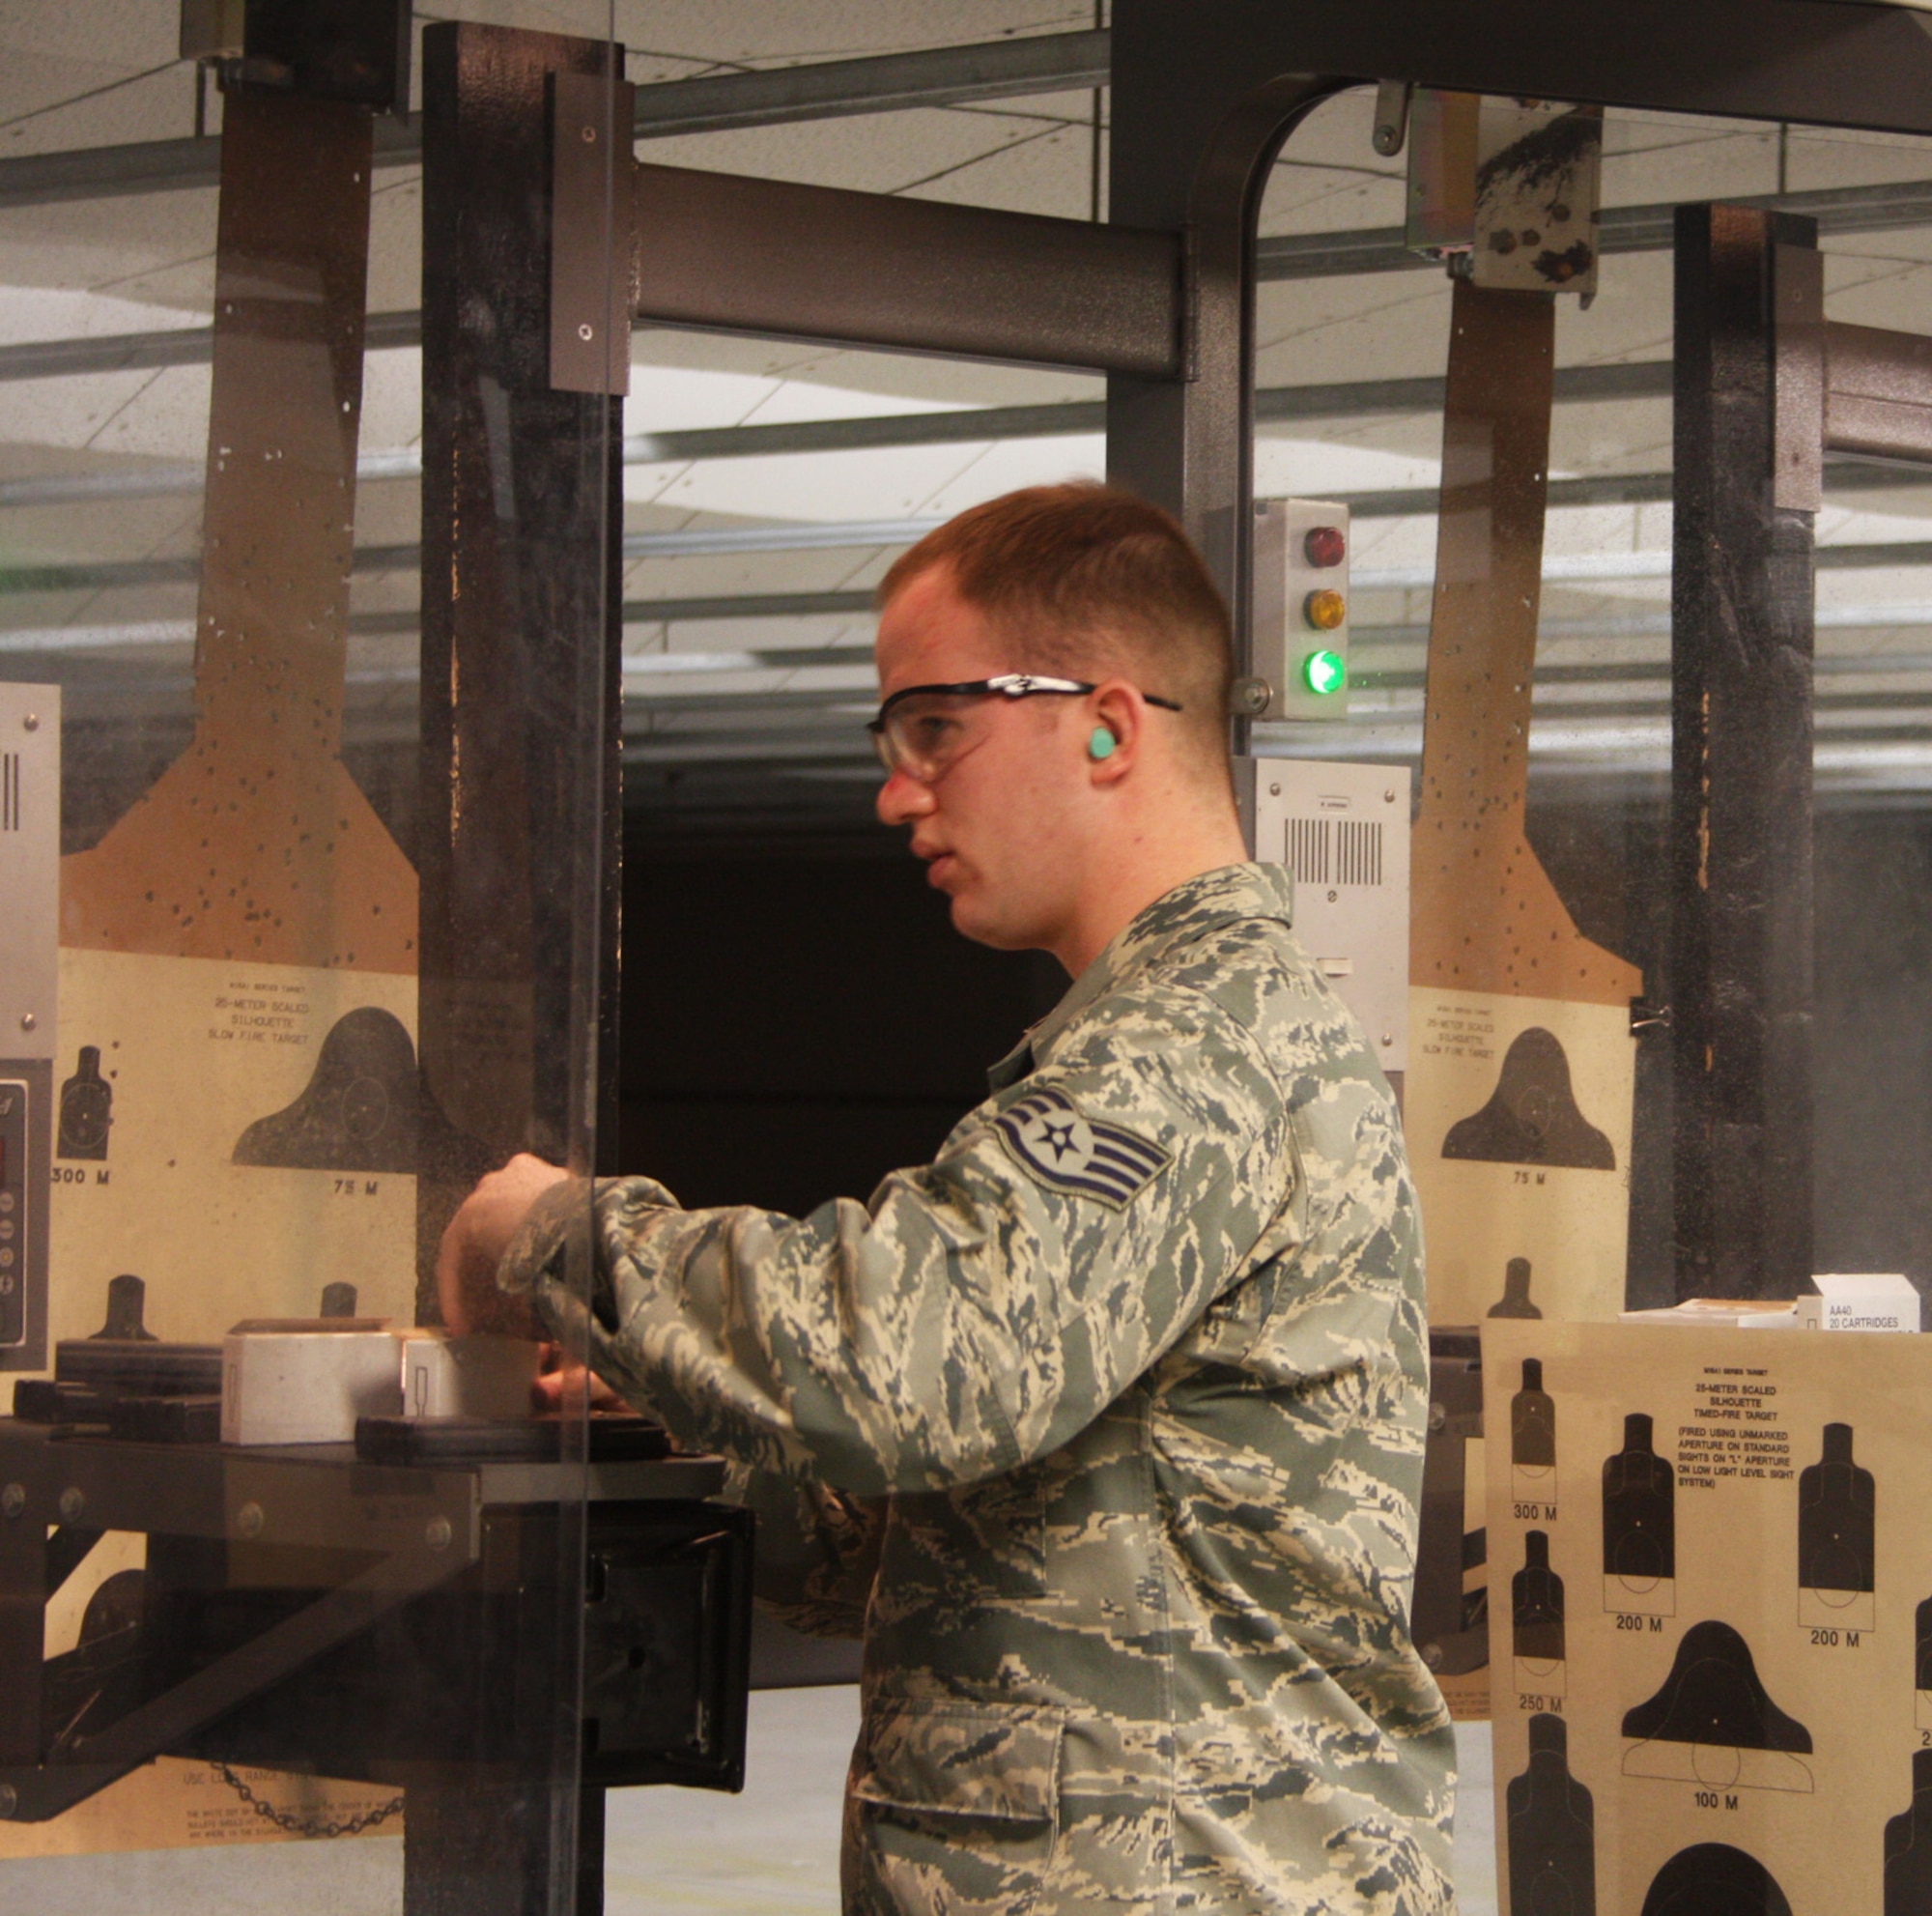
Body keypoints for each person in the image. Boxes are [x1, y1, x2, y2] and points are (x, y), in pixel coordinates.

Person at [440, 482, 1455, 1913]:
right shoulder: (1179, 1039)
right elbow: (965, 1515)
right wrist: (690, 1409)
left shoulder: (1185, 1049)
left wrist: (554, 1238)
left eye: (936, 727)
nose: (897, 789)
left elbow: (914, 1362)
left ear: (1108, 726)